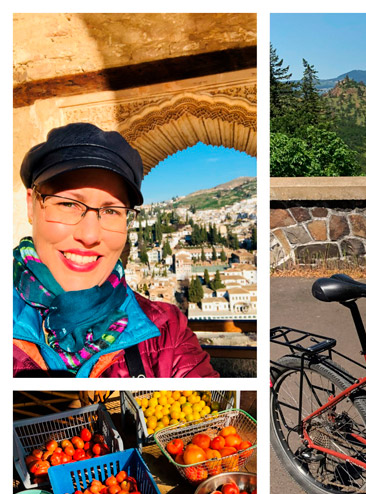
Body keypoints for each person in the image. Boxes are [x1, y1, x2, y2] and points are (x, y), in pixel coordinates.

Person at [14, 122, 219, 378]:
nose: (89, 236)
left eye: (111, 210)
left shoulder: (166, 330)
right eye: (68, 204)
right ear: (31, 206)